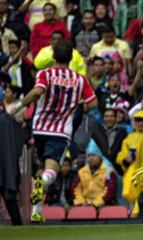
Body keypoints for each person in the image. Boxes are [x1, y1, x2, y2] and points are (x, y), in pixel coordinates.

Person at [12, 40, 98, 223]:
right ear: (71, 58)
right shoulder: (80, 80)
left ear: (53, 56)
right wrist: (76, 107)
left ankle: (36, 212)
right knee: (51, 171)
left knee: (42, 168)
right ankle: (41, 185)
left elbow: (37, 93)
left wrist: (19, 105)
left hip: (39, 128)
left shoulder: (45, 74)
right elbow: (93, 103)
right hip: (60, 131)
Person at [0, 92, 26, 225]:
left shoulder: (8, 120)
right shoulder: (9, 120)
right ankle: (19, 229)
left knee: (10, 198)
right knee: (10, 198)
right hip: (7, 168)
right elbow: (20, 143)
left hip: (6, 166)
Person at [72, 140, 117, 207]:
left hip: (103, 205)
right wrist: (81, 203)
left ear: (99, 157)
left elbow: (109, 191)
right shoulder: (81, 172)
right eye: (89, 155)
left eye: (93, 155)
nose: (90, 158)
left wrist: (95, 204)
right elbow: (75, 189)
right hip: (84, 204)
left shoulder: (109, 172)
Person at [91, 109, 127, 174]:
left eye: (111, 116)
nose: (109, 119)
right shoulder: (96, 131)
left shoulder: (122, 132)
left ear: (116, 118)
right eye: (106, 117)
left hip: (116, 168)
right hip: (100, 168)